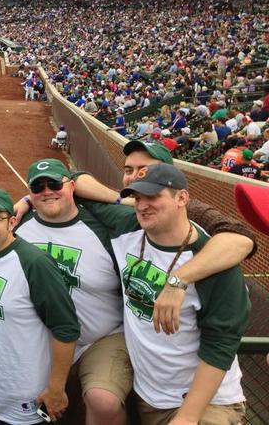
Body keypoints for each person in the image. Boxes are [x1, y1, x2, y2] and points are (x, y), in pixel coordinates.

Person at [14, 140, 255, 335]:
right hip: (131, 335)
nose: (134, 176)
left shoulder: (188, 209)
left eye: (144, 169)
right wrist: (28, 200)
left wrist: (178, 280)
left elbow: (242, 239)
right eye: (128, 170)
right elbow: (73, 180)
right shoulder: (124, 205)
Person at [115, 164, 248, 424]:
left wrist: (187, 417)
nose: (142, 206)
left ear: (182, 198)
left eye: (153, 197)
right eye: (138, 198)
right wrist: (28, 201)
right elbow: (72, 187)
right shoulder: (126, 232)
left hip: (206, 404)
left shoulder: (215, 262)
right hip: (149, 397)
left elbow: (220, 345)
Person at [14, 159, 129, 425]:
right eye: (38, 186)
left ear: (72, 187)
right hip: (42, 343)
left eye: (54, 183)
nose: (47, 191)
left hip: (99, 338)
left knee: (103, 400)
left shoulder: (102, 227)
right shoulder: (18, 227)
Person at [0, 188, 80, 424]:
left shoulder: (35, 264)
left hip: (25, 400)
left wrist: (56, 387)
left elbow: (66, 328)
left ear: (12, 221)